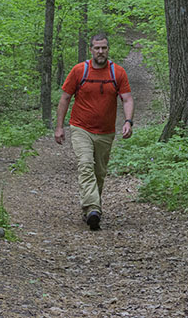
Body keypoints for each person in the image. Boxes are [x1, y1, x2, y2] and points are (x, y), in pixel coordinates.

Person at [54, 33, 134, 230]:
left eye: (104, 48)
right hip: (81, 127)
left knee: (99, 172)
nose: (101, 51)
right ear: (91, 49)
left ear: (108, 49)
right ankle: (93, 209)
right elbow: (65, 98)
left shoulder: (118, 73)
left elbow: (127, 99)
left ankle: (90, 209)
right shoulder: (79, 70)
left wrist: (128, 121)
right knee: (85, 164)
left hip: (106, 132)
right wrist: (59, 127)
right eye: (97, 48)